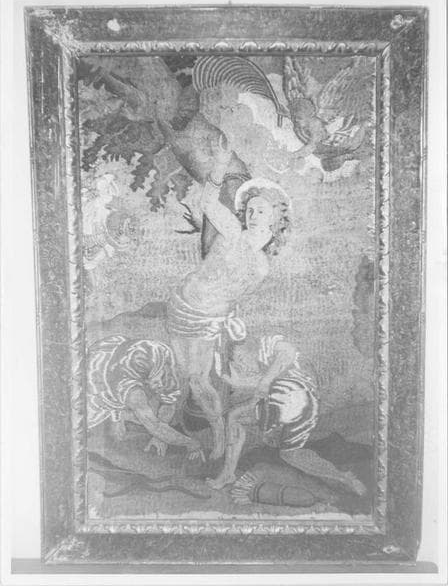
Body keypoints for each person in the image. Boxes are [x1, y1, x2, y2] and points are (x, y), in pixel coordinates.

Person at [167, 143, 291, 460]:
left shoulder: (260, 266)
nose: (253, 215)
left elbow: (233, 296)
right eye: (250, 210)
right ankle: (189, 426)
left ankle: (219, 436)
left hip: (204, 318)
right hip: (180, 303)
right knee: (187, 377)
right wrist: (220, 165)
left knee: (198, 379)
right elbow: (208, 202)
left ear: (276, 217)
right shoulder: (232, 229)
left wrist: (226, 320)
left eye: (261, 211)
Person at [206, 333, 366, 496]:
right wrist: (241, 383)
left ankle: (228, 473)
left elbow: (288, 352)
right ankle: (343, 477)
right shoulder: (248, 372)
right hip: (300, 409)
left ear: (250, 348)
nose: (242, 365)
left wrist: (265, 381)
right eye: (237, 362)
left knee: (235, 417)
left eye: (241, 358)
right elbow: (252, 388)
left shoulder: (265, 347)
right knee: (290, 454)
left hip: (294, 394)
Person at [87, 335, 204, 460]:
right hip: (88, 405)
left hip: (109, 390)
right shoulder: (132, 391)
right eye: (152, 382)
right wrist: (191, 443)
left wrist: (159, 438)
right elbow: (155, 426)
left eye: (158, 377)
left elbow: (169, 400)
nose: (158, 385)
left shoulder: (158, 356)